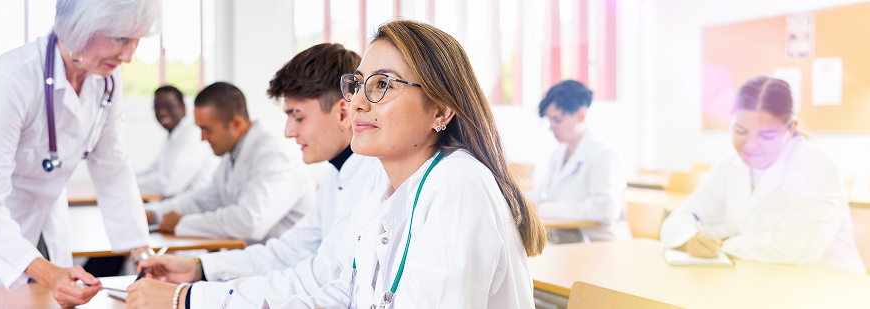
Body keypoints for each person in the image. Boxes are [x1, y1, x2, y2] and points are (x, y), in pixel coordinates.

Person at [266, 20, 546, 309]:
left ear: (441, 110)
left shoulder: (458, 186)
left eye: (382, 85)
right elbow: (347, 293)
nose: (358, 102)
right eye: (358, 84)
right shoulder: (379, 183)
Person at [125, 43, 381, 309]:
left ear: (342, 112)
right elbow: (287, 252)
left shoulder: (368, 177)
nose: (288, 132)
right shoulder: (338, 174)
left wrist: (187, 297)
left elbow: (318, 278)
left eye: (298, 117)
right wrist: (198, 268)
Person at [0, 0, 160, 306]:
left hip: (45, 220)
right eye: (121, 39)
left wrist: (142, 254)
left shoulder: (107, 79)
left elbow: (112, 167)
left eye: (136, 40)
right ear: (80, 27)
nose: (128, 55)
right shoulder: (6, 81)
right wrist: (49, 273)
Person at [659, 76, 866, 274]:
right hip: (760, 280)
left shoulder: (814, 162)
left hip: (829, 287)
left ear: (791, 129)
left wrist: (721, 246)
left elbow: (794, 249)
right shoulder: (729, 165)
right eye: (740, 131)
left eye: (767, 135)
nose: (751, 145)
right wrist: (689, 240)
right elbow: (678, 221)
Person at [144, 82, 315, 245]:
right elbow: (201, 201)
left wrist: (183, 223)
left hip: (285, 266)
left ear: (236, 124)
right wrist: (154, 214)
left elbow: (249, 222)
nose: (202, 138)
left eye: (207, 130)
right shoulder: (232, 154)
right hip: (254, 259)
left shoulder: (275, 155)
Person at [531, 80, 632, 243]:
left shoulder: (605, 155)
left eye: (557, 120)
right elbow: (541, 195)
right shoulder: (558, 155)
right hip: (566, 243)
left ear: (581, 115)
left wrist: (544, 209)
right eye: (549, 120)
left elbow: (604, 210)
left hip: (601, 247)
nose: (551, 127)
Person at [135, 86, 219, 199]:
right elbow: (152, 170)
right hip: (177, 204)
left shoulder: (193, 134)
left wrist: (123, 183)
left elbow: (168, 184)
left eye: (168, 106)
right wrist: (122, 176)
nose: (162, 112)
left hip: (194, 208)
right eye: (157, 107)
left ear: (183, 106)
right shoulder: (174, 135)